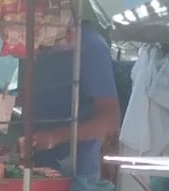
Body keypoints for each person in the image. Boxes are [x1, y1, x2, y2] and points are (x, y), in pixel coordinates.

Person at [20, 24, 121, 179]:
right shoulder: (38, 43)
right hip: (35, 167)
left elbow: (110, 121)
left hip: (77, 175)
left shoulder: (90, 46)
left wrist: (55, 137)